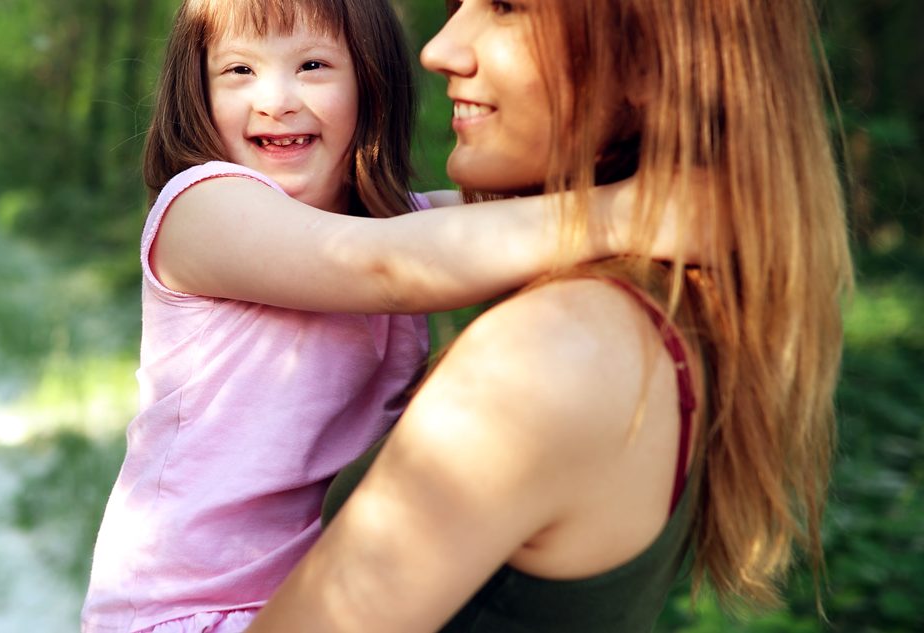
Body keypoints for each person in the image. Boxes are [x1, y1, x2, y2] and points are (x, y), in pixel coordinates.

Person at [80, 1, 693, 632]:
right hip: (187, 611)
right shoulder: (202, 209)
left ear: (371, 84)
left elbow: (506, 221)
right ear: (196, 94)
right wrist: (639, 211)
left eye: (313, 65)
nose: (275, 100)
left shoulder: (399, 225)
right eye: (239, 71)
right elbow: (387, 267)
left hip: (322, 595)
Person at [247, 0, 853, 631]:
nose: (439, 49)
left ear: (652, 61)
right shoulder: (659, 315)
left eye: (509, 7)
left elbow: (379, 261)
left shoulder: (551, 353)